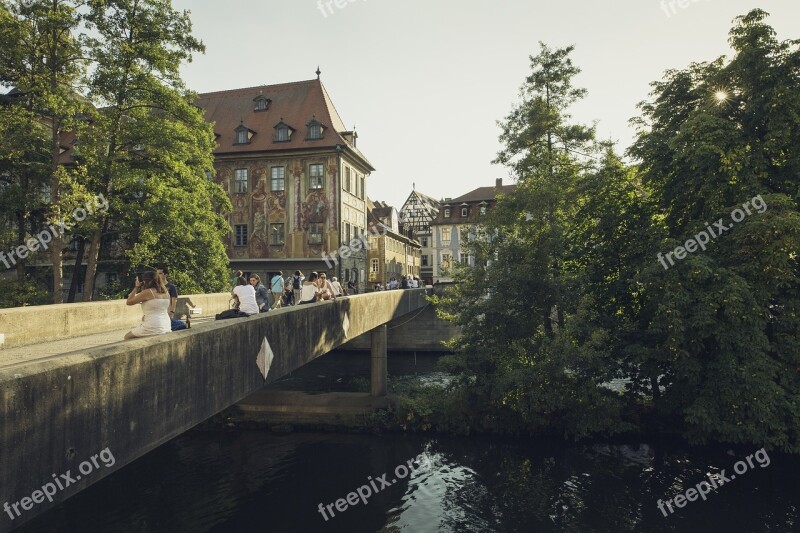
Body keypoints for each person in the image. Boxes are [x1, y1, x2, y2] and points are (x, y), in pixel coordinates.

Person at [124, 271, 172, 339]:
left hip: (153, 325)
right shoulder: (166, 292)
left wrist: (136, 287)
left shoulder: (147, 292)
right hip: (166, 325)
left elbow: (129, 302)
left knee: (127, 337)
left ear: (145, 281)